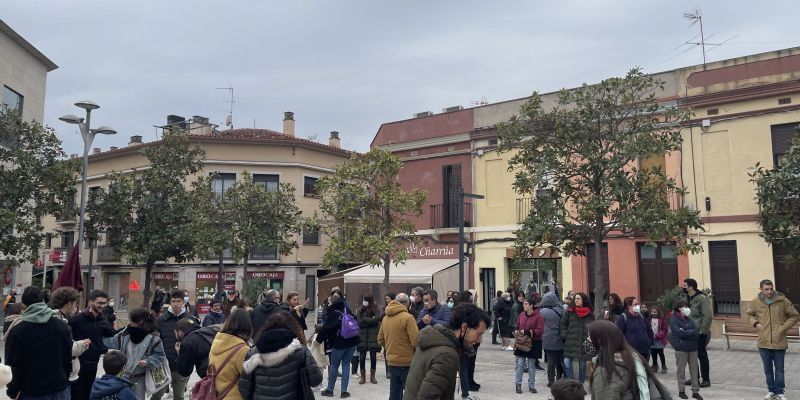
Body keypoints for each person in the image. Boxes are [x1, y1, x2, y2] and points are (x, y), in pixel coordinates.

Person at [403, 303, 490, 400]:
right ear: (464, 327)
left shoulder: (434, 340)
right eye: (479, 334)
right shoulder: (447, 355)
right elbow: (428, 396)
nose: (480, 340)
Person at [5, 286, 73, 400]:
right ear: (43, 302)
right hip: (59, 389)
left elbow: (12, 364)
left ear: (23, 306)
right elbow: (67, 358)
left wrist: (13, 390)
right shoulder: (62, 326)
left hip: (31, 391)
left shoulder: (18, 330)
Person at [240, 312, 323, 399]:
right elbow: (316, 380)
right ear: (293, 327)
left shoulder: (253, 353)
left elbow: (244, 390)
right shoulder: (300, 351)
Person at [588, 320, 670, 400]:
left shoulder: (607, 371)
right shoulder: (632, 359)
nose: (586, 342)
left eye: (589, 338)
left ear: (600, 342)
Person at [746, 279, 800, 400]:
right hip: (763, 342)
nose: (770, 291)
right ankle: (771, 391)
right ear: (761, 289)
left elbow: (795, 316)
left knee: (779, 369)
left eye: (771, 289)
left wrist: (783, 328)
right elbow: (749, 314)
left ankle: (780, 392)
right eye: (766, 289)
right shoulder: (755, 302)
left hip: (779, 341)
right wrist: (755, 323)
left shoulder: (783, 301)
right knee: (768, 369)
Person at [104, 307, 168, 400]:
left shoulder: (154, 338)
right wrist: (96, 339)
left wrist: (148, 361)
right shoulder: (125, 333)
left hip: (139, 378)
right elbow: (112, 341)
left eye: (132, 321)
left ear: (140, 321)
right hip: (123, 375)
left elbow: (160, 355)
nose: (129, 323)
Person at [151, 290, 199, 400]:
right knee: (157, 394)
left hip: (182, 365)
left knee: (179, 396)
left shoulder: (190, 320)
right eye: (173, 301)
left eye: (178, 301)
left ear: (183, 302)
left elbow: (194, 342)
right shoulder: (161, 320)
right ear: (170, 302)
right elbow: (154, 341)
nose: (176, 304)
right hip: (163, 364)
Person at [69, 290, 117, 400]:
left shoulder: (103, 319)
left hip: (94, 362)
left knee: (89, 393)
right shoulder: (76, 320)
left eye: (104, 303)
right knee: (77, 394)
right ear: (91, 302)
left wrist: (128, 328)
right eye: (99, 303)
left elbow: (111, 333)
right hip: (79, 363)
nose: (102, 306)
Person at [316, 293, 360, 397]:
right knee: (346, 366)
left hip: (339, 343)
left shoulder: (333, 314)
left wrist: (318, 340)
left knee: (334, 365)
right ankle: (344, 391)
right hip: (352, 342)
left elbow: (325, 329)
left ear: (332, 302)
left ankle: (330, 390)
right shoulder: (347, 310)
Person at [378, 293, 419, 400]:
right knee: (411, 393)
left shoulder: (386, 318)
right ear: (408, 303)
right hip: (407, 361)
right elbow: (415, 341)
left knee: (395, 393)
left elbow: (380, 340)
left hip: (391, 360)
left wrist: (390, 347)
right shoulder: (408, 318)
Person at [208, 308, 252, 400]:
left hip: (217, 395)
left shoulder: (216, 343)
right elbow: (249, 380)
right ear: (247, 326)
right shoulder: (242, 350)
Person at [50, 287, 90, 382]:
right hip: (62, 374)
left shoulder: (57, 318)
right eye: (75, 304)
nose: (76, 307)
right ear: (69, 304)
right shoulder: (59, 322)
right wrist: (81, 345)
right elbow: (63, 348)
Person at [669, 301, 703, 400]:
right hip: (681, 348)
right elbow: (679, 333)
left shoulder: (689, 319)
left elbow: (697, 332)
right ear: (679, 308)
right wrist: (691, 332)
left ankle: (695, 391)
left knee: (694, 370)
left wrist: (687, 332)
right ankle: (681, 391)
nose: (687, 308)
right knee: (681, 370)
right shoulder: (674, 319)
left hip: (693, 348)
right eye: (685, 307)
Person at [683, 278, 712, 388]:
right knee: (691, 355)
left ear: (691, 287)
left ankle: (706, 379)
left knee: (701, 355)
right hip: (689, 331)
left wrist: (702, 331)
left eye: (685, 285)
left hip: (699, 332)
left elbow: (708, 316)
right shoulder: (688, 298)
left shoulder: (701, 298)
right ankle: (695, 377)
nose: (684, 287)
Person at [561, 291, 595, 384]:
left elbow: (593, 326)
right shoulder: (569, 311)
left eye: (578, 298)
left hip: (584, 342)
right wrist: (565, 335)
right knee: (566, 361)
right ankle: (573, 384)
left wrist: (590, 337)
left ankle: (580, 385)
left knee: (582, 364)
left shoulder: (590, 313)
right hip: (570, 341)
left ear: (583, 300)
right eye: (575, 298)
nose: (576, 300)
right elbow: (563, 324)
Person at [514, 296, 544, 394]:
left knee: (531, 366)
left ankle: (531, 385)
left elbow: (540, 330)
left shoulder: (538, 316)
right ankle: (518, 384)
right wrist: (516, 331)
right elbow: (517, 325)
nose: (524, 305)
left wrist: (529, 332)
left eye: (526, 304)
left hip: (534, 343)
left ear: (531, 306)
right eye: (523, 304)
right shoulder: (521, 315)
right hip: (522, 342)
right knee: (520, 364)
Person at [616, 296, 654, 361]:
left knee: (644, 370)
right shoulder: (623, 317)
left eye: (638, 304)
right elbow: (618, 334)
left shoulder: (641, 316)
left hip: (645, 350)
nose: (638, 306)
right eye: (635, 304)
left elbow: (649, 330)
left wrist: (650, 342)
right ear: (629, 306)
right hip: (632, 351)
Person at [540, 292, 565, 388]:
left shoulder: (542, 312)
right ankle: (560, 375)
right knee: (560, 358)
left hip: (548, 339)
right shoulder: (562, 310)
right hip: (561, 338)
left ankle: (551, 380)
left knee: (551, 360)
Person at [355, 293, 381, 385]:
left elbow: (377, 319)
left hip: (373, 335)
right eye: (363, 300)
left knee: (373, 357)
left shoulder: (376, 308)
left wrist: (365, 319)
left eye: (366, 300)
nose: (364, 302)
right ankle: (363, 377)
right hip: (362, 336)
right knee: (362, 357)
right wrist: (370, 320)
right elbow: (359, 322)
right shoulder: (360, 309)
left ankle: (372, 376)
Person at [648, 305, 668, 374]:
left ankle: (664, 366)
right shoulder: (649, 319)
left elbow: (664, 329)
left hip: (659, 339)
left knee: (660, 353)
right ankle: (655, 365)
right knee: (653, 353)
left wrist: (657, 335)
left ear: (658, 312)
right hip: (651, 339)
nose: (653, 313)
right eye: (652, 312)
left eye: (655, 312)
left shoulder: (662, 320)